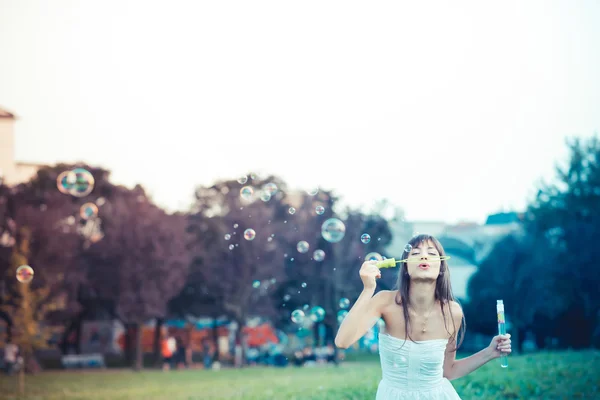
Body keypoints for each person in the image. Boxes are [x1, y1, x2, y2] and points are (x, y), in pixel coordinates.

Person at [335, 234, 512, 400]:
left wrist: (490, 353)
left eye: (431, 253)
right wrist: (367, 289)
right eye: (416, 253)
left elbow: (448, 371)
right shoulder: (384, 301)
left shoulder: (452, 312)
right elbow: (342, 341)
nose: (424, 257)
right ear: (405, 267)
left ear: (441, 267)